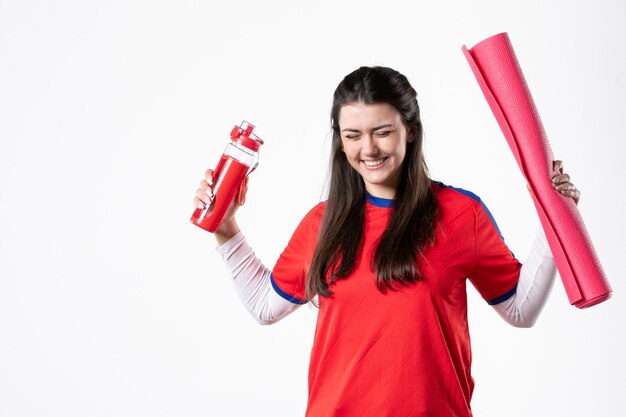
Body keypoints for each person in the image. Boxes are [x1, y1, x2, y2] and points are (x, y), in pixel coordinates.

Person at [193, 66, 581, 417]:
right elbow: (265, 306)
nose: (369, 149)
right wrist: (225, 227)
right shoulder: (323, 222)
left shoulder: (461, 213)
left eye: (382, 132)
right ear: (341, 143)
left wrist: (555, 216)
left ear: (409, 130)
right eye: (353, 135)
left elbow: (521, 309)